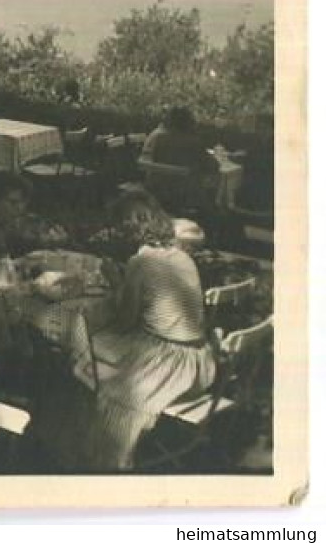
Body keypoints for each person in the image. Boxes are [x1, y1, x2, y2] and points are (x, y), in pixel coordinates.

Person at [57, 192, 217, 470]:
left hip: (168, 365)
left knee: (84, 344)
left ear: (126, 230)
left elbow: (126, 320)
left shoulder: (141, 262)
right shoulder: (180, 256)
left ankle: (90, 440)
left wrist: (116, 282)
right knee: (97, 348)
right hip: (199, 361)